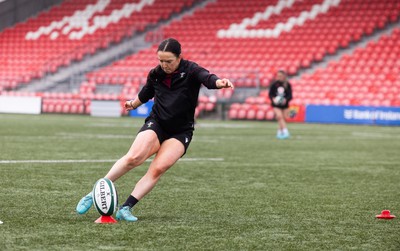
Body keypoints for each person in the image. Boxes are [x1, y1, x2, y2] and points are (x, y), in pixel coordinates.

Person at [76, 38, 234, 222]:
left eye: (169, 61)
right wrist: (133, 104)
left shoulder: (191, 70)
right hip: (157, 123)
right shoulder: (156, 74)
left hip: (181, 131)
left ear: (179, 57)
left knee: (158, 169)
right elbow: (147, 92)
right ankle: (93, 193)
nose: (164, 65)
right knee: (133, 158)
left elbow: (207, 78)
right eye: (161, 60)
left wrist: (219, 82)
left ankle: (126, 208)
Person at [268, 70, 292, 139]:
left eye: (280, 76)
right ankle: (286, 132)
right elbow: (270, 94)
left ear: (284, 76)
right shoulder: (274, 84)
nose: (279, 77)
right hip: (276, 105)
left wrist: (286, 100)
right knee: (279, 116)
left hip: (285, 105)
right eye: (278, 76)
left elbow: (290, 95)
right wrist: (273, 99)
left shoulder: (287, 84)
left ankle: (279, 132)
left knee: (283, 119)